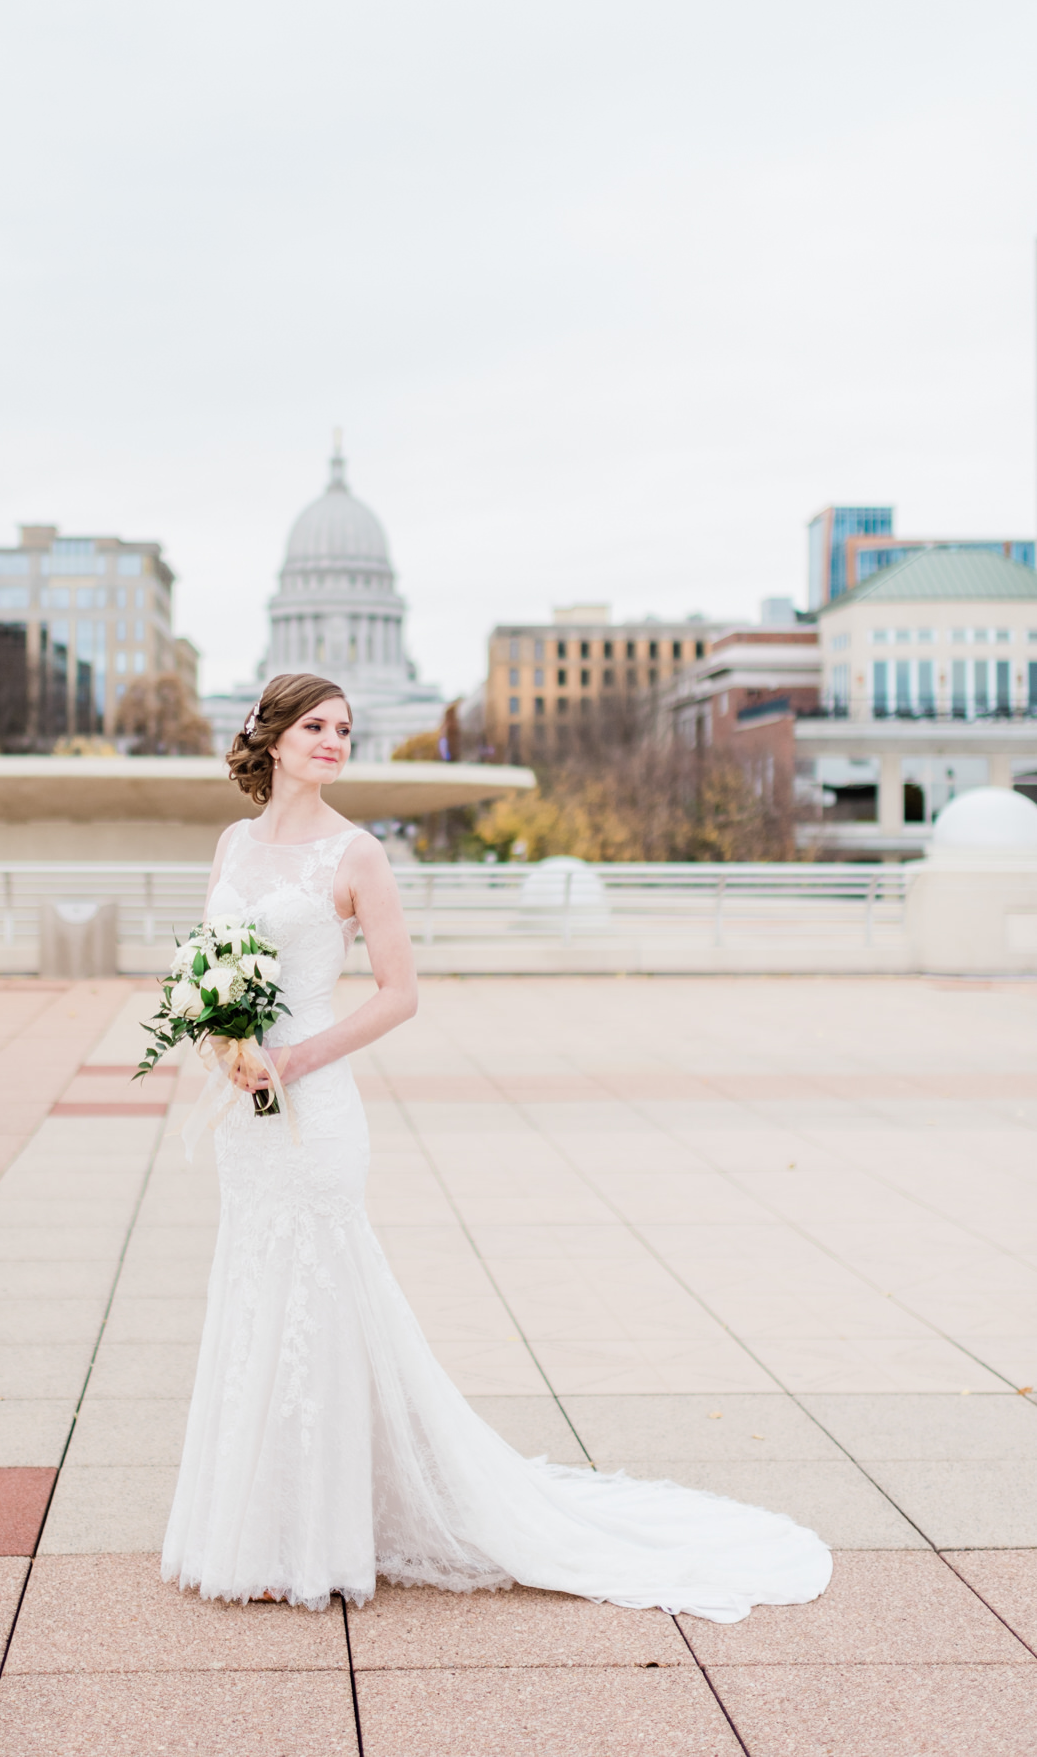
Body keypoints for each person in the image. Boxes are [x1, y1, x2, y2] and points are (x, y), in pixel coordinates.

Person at [162, 671, 831, 1622]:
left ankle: (314, 1534)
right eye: (316, 725)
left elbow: (400, 993)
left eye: (344, 728)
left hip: (318, 1114)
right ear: (271, 737)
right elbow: (204, 964)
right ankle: (258, 1522)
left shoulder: (359, 856)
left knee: (318, 1297)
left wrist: (299, 1055)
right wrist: (224, 1042)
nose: (334, 741)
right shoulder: (234, 844)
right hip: (250, 1119)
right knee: (256, 1292)